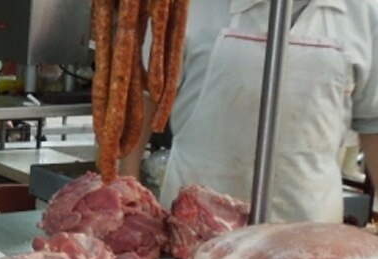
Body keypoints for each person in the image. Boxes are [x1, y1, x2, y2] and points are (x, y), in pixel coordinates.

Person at [119, 0, 378, 223]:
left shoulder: (363, 12)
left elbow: (373, 124)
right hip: (196, 226)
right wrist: (127, 191)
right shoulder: (188, 7)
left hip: (308, 231)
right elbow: (144, 96)